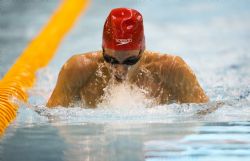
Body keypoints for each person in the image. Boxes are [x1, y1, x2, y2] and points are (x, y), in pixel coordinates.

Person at [47, 8, 209, 108]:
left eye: (130, 61)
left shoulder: (171, 69)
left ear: (142, 50)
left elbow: (203, 114)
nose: (119, 70)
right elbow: (51, 118)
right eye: (110, 59)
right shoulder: (78, 69)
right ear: (102, 48)